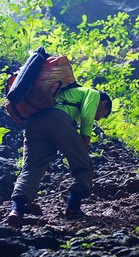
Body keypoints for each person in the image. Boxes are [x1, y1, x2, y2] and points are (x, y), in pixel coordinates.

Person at [7, 87, 112, 228]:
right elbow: (87, 117)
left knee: (31, 169)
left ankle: (16, 210)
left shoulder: (64, 92)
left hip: (34, 123)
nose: (98, 118)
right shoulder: (92, 93)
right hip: (59, 120)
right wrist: (84, 149)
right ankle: (73, 208)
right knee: (83, 167)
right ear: (104, 103)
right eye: (102, 115)